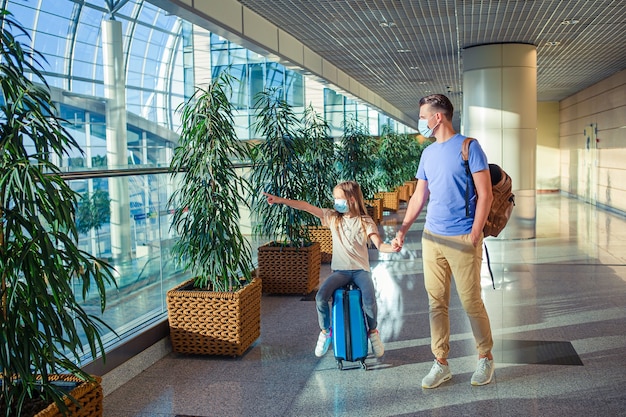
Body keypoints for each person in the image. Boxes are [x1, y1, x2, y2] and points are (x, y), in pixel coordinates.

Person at [392, 93, 495, 388]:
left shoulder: (469, 147)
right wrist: (403, 228)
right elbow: (418, 197)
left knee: (471, 302)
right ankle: (440, 362)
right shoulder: (428, 154)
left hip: (463, 237)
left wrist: (475, 234)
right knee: (436, 303)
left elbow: (485, 194)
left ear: (439, 117)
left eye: (423, 116)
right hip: (432, 238)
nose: (421, 122)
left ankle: (485, 357)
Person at [264, 180, 399, 359]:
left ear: (351, 199)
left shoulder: (365, 221)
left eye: (338, 198)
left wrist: (394, 247)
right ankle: (326, 332)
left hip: (360, 270)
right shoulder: (333, 218)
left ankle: (373, 332)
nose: (335, 202)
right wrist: (281, 200)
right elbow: (306, 207)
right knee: (320, 297)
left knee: (369, 298)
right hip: (340, 272)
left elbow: (380, 245)